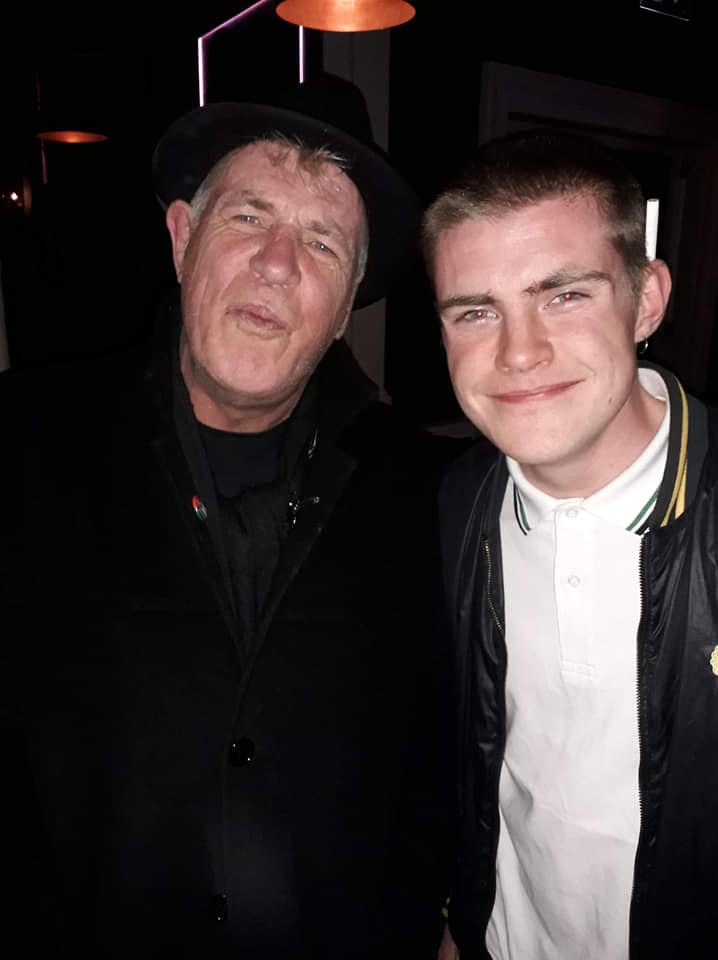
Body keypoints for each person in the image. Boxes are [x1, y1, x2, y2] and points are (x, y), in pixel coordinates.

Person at [0, 73, 453, 957]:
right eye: (249, 217)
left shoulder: (428, 491)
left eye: (322, 242)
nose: (278, 264)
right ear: (182, 237)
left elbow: (450, 753)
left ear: (345, 306)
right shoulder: (21, 444)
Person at [422, 129, 718, 960]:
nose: (519, 352)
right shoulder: (458, 505)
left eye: (564, 295)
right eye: (477, 311)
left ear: (647, 299)